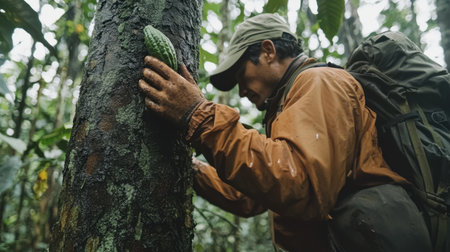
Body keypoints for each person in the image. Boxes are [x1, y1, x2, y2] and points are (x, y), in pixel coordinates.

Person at [138, 13, 432, 252]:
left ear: (268, 51)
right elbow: (251, 196)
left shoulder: (319, 83)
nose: (241, 91)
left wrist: (198, 115)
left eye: (241, 75)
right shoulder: (287, 103)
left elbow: (300, 183)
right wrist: (191, 169)